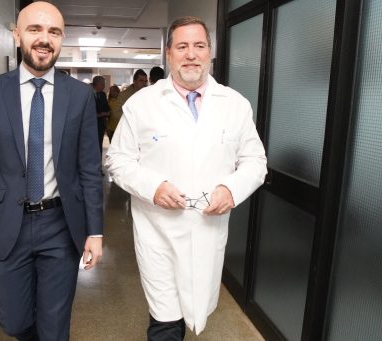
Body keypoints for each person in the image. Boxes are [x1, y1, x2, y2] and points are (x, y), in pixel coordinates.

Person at [105, 16, 267, 340]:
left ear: (209, 52)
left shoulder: (235, 105)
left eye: (199, 46)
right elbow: (117, 159)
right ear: (169, 54)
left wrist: (230, 189)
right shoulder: (142, 105)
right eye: (182, 46)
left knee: (196, 310)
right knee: (165, 321)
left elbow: (255, 161)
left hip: (208, 228)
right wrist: (154, 187)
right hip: (158, 232)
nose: (191, 54)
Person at [0, 2, 104, 340]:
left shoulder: (79, 96)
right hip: (6, 224)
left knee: (54, 327)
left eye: (53, 32)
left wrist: (95, 232)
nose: (44, 39)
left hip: (60, 224)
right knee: (14, 321)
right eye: (35, 29)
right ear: (17, 35)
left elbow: (88, 168)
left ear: (61, 39)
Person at [107, 70, 148, 140]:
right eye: (141, 80)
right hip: (126, 132)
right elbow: (115, 113)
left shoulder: (147, 94)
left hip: (143, 132)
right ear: (134, 81)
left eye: (145, 81)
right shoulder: (124, 95)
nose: (144, 83)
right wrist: (132, 120)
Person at [92, 75, 110, 156]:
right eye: (102, 84)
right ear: (96, 84)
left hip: (101, 125)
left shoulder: (102, 94)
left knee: (99, 145)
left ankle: (98, 166)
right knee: (91, 146)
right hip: (91, 125)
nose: (104, 86)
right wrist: (99, 114)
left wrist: (108, 112)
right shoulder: (88, 93)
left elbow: (106, 107)